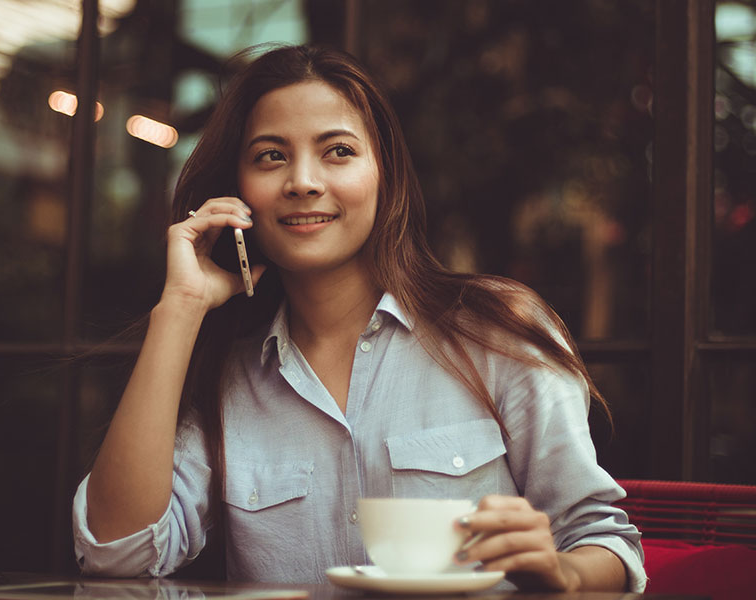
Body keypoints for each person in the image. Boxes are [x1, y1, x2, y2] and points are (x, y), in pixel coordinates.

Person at [72, 44, 646, 593]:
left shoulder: (495, 331)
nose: (302, 181)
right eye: (271, 156)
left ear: (384, 176)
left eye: (338, 151)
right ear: (238, 192)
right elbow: (114, 554)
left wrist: (562, 573)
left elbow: (605, 544)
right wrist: (179, 309)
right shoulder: (228, 377)